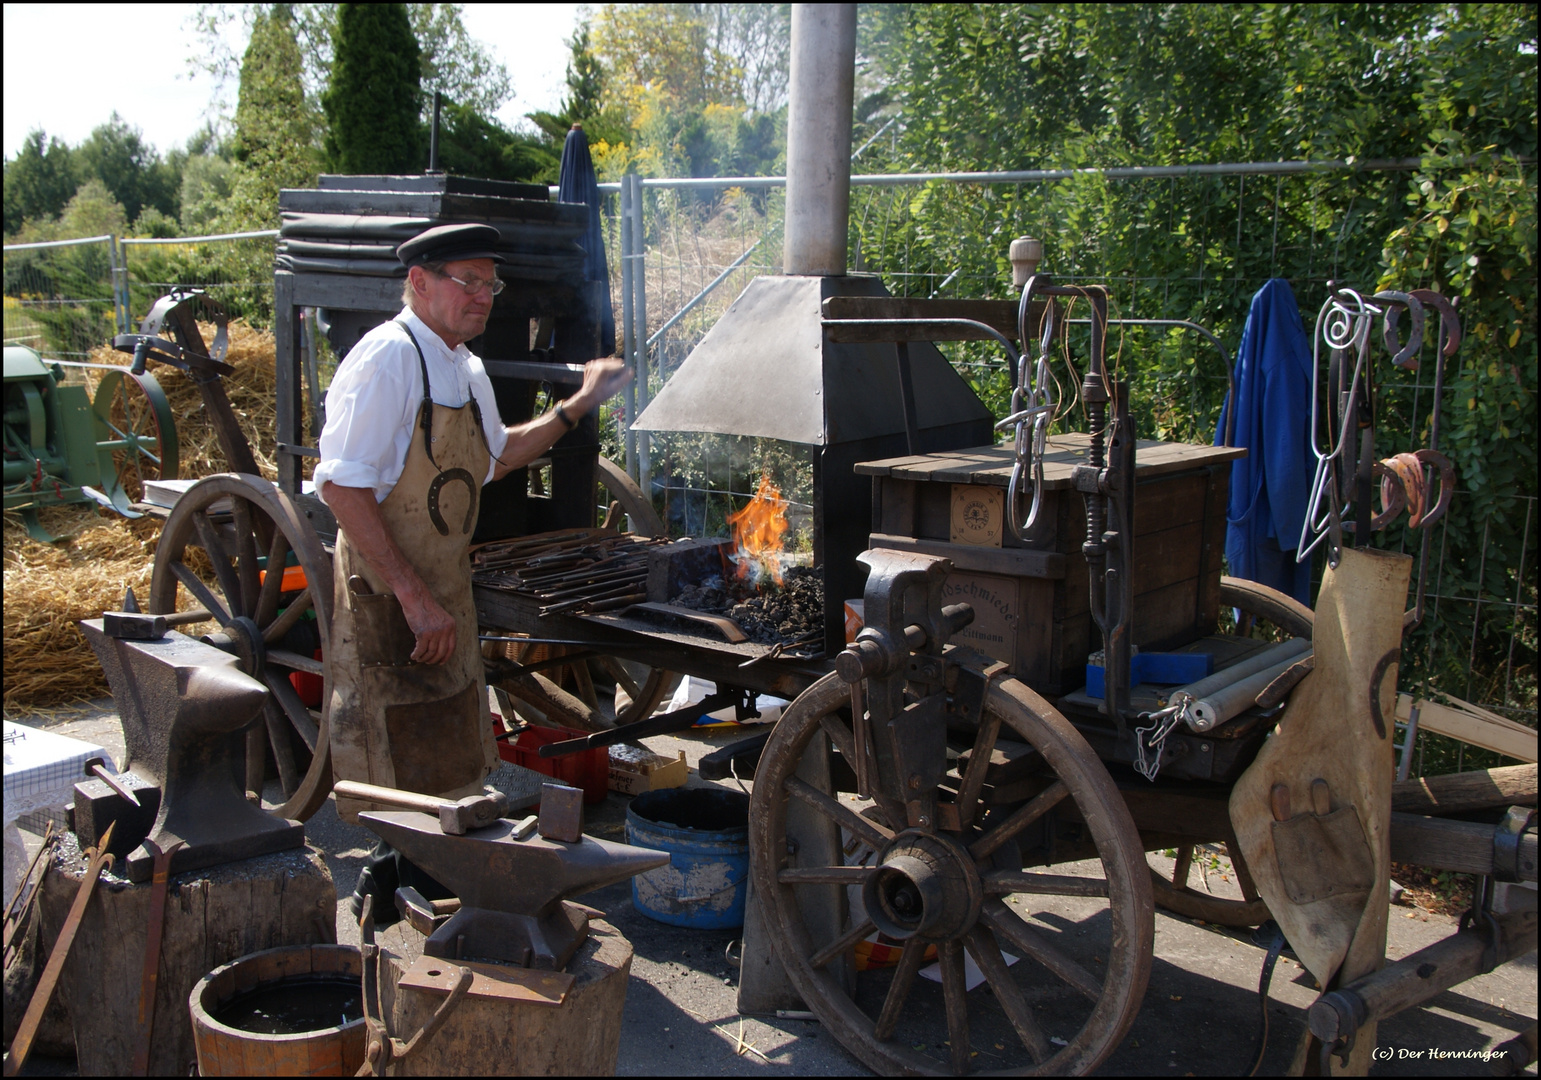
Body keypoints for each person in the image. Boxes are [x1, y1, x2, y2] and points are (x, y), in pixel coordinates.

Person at [313, 222, 630, 919]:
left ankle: (430, 888)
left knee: (448, 747)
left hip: (442, 586)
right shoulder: (386, 361)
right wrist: (412, 596)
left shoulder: (463, 367)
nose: (483, 297)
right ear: (419, 282)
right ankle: (390, 894)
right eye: (469, 281)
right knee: (396, 753)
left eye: (492, 284)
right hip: (390, 590)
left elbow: (496, 459)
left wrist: (576, 406)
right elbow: (341, 486)